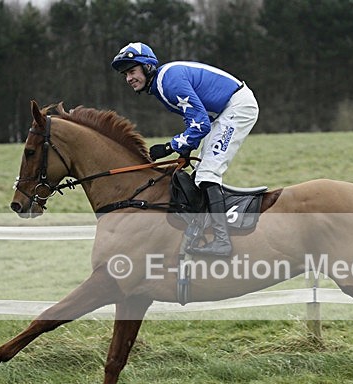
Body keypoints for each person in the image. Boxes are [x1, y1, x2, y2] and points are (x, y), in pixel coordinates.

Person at [111, 42, 259, 257]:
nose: (128, 78)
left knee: (208, 173)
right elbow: (194, 121)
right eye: (125, 74)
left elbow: (201, 125)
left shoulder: (168, 83)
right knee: (199, 176)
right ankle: (205, 231)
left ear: (148, 66)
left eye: (132, 71)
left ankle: (222, 241)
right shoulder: (161, 85)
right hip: (223, 112)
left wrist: (169, 147)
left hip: (237, 107)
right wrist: (184, 150)